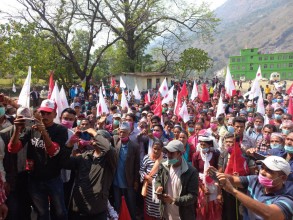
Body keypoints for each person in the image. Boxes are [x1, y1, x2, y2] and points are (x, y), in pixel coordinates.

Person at [8, 99, 68, 220]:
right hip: (35, 179)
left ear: (55, 114)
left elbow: (53, 152)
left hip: (53, 178)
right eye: (42, 113)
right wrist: (17, 129)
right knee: (42, 213)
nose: (45, 116)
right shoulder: (31, 129)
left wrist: (44, 133)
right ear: (38, 113)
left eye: (48, 113)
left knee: (60, 211)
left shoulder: (60, 130)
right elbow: (13, 148)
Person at [208, 156, 293, 220]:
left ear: (283, 178)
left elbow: (269, 214)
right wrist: (219, 175)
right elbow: (233, 179)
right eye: (262, 168)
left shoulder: (288, 199)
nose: (262, 172)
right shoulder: (255, 180)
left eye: (269, 171)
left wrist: (233, 191)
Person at [62, 129, 118, 220]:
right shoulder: (85, 156)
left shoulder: (110, 159)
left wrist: (94, 133)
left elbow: (108, 149)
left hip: (96, 210)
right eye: (93, 137)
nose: (95, 138)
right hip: (78, 208)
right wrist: (69, 145)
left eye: (100, 137)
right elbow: (64, 163)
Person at [155, 140, 198, 220]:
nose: (169, 155)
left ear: (180, 154)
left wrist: (174, 200)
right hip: (166, 214)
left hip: (183, 215)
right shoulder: (163, 165)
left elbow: (193, 196)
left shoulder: (191, 172)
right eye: (167, 152)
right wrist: (158, 187)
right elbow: (158, 180)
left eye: (172, 153)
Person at [112, 122, 140, 220]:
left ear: (129, 133)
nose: (121, 134)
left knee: (131, 204)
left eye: (124, 132)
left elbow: (137, 165)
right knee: (118, 204)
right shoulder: (116, 142)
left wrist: (136, 180)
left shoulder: (134, 146)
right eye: (120, 132)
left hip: (129, 181)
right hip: (116, 180)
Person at [139, 139, 163, 220]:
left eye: (158, 149)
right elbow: (141, 170)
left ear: (162, 149)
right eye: (154, 148)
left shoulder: (165, 158)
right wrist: (146, 177)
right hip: (149, 189)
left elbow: (172, 167)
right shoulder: (146, 158)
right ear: (152, 148)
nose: (156, 151)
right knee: (150, 211)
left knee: (160, 210)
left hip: (160, 189)